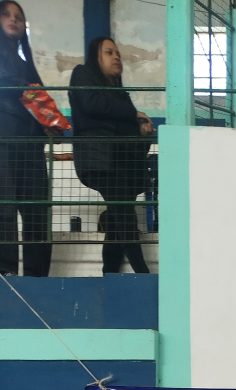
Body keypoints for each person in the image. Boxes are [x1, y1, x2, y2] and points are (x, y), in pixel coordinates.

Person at [68, 37, 154, 274]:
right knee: (125, 216)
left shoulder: (119, 93)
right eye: (109, 52)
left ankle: (110, 273)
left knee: (117, 222)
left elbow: (128, 128)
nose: (116, 56)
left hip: (123, 162)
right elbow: (92, 104)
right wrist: (134, 114)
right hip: (101, 160)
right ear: (95, 56)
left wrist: (143, 131)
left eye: (118, 53)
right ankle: (142, 274)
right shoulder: (82, 74)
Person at [0, 1, 53, 276]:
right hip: (4, 140)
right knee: (5, 208)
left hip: (30, 145)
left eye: (19, 17)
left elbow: (40, 102)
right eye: (6, 15)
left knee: (38, 210)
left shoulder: (26, 65)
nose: (13, 20)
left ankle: (38, 276)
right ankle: (6, 273)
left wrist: (51, 125)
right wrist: (19, 87)